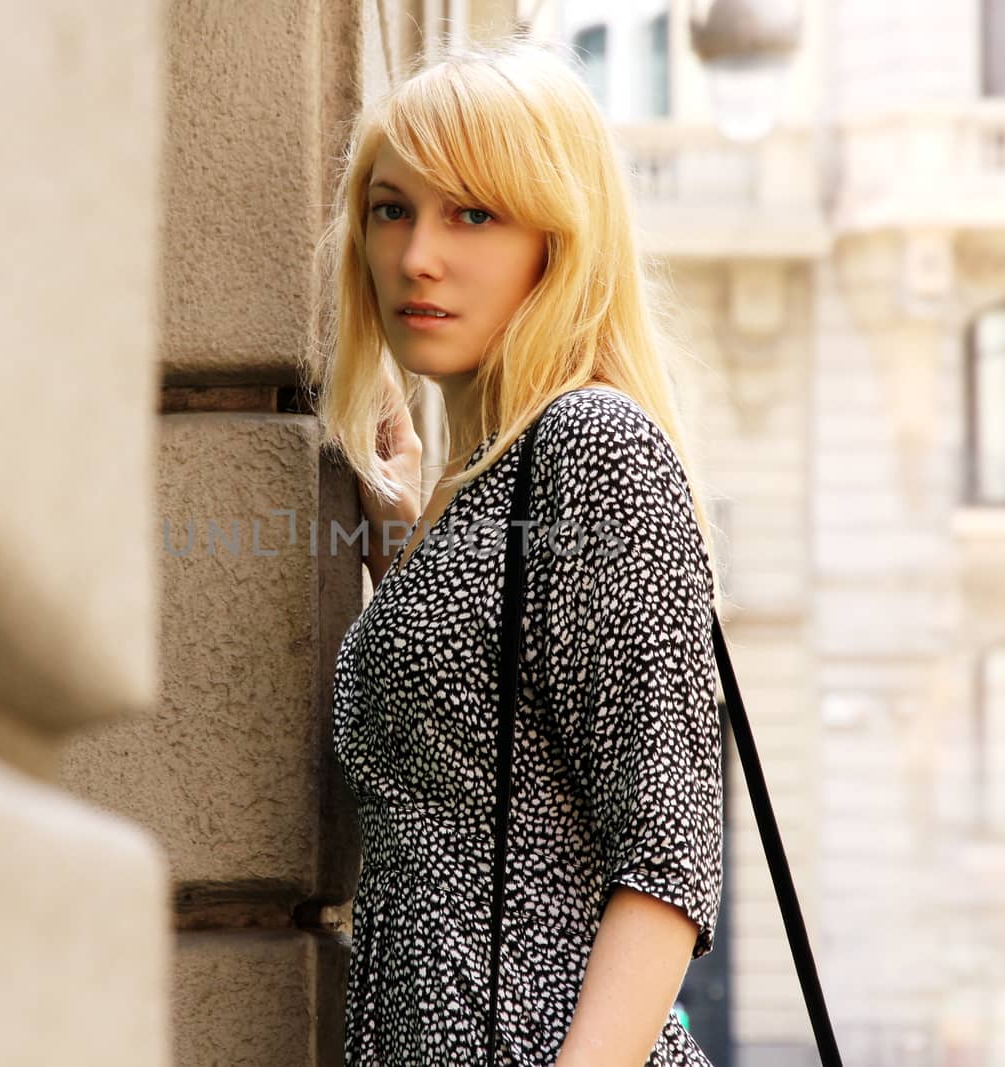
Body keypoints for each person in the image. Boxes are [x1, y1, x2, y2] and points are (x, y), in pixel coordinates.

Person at [305, 34, 726, 1067]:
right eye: (391, 208)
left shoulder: (594, 448)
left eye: (474, 214)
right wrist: (414, 552)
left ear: (560, 241)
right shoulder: (498, 486)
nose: (417, 257)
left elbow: (666, 852)